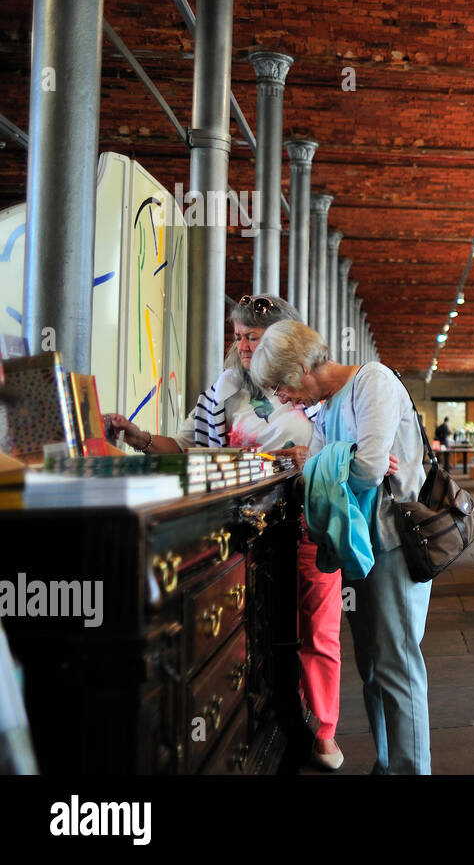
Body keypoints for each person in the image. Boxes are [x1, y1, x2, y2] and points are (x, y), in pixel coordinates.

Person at [106, 294, 344, 772]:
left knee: (317, 625)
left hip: (308, 516)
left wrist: (313, 461)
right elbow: (193, 446)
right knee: (258, 628)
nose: (244, 347)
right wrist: (142, 438)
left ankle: (322, 728)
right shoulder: (223, 391)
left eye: (254, 337)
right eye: (238, 337)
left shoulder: (318, 385)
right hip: (244, 527)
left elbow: (346, 446)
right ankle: (268, 713)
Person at [250, 319, 432, 775]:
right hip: (361, 546)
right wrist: (337, 460)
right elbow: (339, 468)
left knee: (398, 664)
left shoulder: (374, 381)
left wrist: (333, 461)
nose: (283, 399)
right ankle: (389, 763)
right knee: (371, 666)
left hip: (392, 542)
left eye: (280, 385)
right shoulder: (331, 405)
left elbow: (367, 470)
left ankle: (411, 770)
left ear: (301, 367)